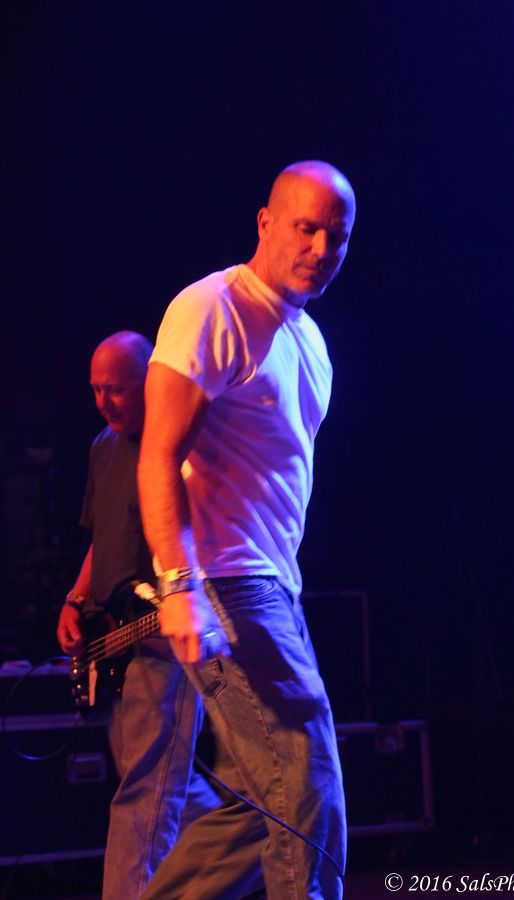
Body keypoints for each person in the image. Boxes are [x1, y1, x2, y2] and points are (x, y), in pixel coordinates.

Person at [137, 160, 356, 900]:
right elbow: (157, 455)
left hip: (272, 585)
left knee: (257, 807)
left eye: (336, 237)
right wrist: (178, 585)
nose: (320, 249)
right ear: (266, 222)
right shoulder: (213, 308)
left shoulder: (310, 339)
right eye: (305, 228)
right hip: (228, 581)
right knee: (307, 782)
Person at [56, 331, 220, 900]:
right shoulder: (103, 447)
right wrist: (75, 600)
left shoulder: (176, 441)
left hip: (157, 635)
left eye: (116, 390)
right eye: (95, 390)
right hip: (111, 642)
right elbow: (102, 539)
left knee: (144, 794)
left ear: (148, 381)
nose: (103, 402)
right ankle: (247, 858)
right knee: (163, 782)